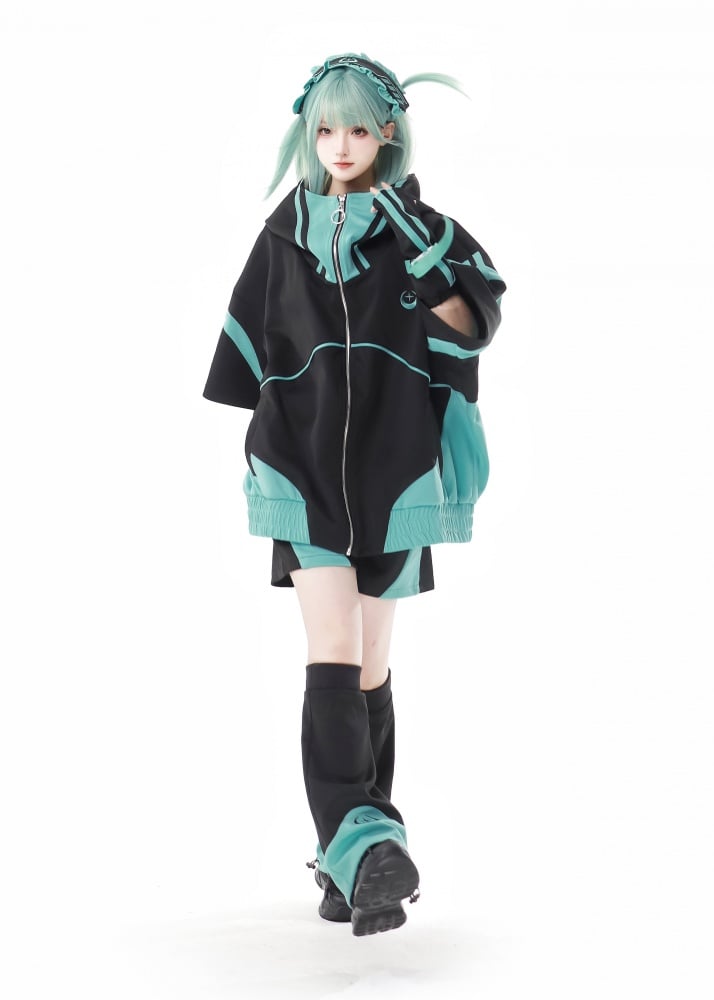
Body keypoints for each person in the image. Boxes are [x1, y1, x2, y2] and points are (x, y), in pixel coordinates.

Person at [203, 52, 506, 936]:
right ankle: (369, 842)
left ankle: (347, 869)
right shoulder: (282, 235)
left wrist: (431, 266)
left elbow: (471, 328)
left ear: (388, 134)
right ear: (309, 133)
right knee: (332, 643)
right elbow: (248, 360)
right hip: (297, 468)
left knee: (371, 662)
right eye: (326, 127)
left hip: (397, 470)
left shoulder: (422, 230)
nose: (340, 144)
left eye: (358, 128)